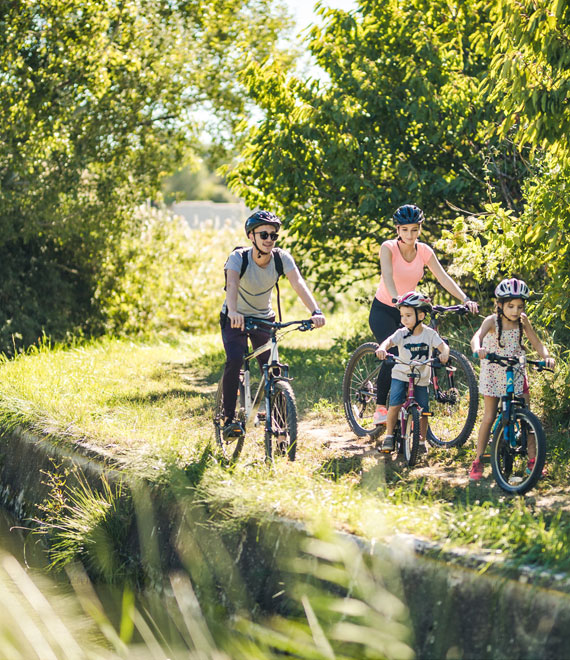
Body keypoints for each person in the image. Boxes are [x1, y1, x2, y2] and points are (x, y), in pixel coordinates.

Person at [369, 204, 478, 426]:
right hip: (385, 308)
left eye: (415, 229)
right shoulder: (388, 247)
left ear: (420, 228)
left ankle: (409, 406)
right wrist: (395, 299)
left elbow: (443, 277)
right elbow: (387, 276)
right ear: (398, 230)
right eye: (405, 230)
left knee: (414, 355)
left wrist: (465, 299)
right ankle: (381, 406)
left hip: (409, 312)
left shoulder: (425, 251)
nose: (410, 235)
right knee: (394, 355)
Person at [220, 210, 326, 438]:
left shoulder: (281, 258)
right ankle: (228, 419)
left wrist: (315, 311)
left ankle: (279, 429)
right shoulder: (239, 258)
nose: (269, 239)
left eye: (273, 235)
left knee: (273, 369)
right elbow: (231, 284)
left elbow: (298, 283)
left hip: (263, 318)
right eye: (264, 234)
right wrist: (235, 311)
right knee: (235, 359)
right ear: (251, 236)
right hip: (235, 317)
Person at [469, 278, 554, 481]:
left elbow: (537, 343)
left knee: (527, 416)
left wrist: (546, 357)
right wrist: (477, 349)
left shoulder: (522, 321)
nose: (515, 311)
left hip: (516, 370)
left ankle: (533, 462)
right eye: (510, 306)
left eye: (519, 306)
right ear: (499, 305)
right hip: (493, 371)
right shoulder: (491, 321)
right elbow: (476, 337)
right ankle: (478, 461)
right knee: (489, 416)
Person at [375, 291, 450, 453]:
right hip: (400, 375)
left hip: (421, 379)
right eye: (402, 316)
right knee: (394, 405)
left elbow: (443, 345)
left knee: (424, 411)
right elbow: (389, 341)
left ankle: (422, 441)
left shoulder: (430, 334)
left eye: (408, 315)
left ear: (421, 315)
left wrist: (444, 352)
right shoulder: (401, 333)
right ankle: (388, 437)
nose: (404, 320)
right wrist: (382, 348)